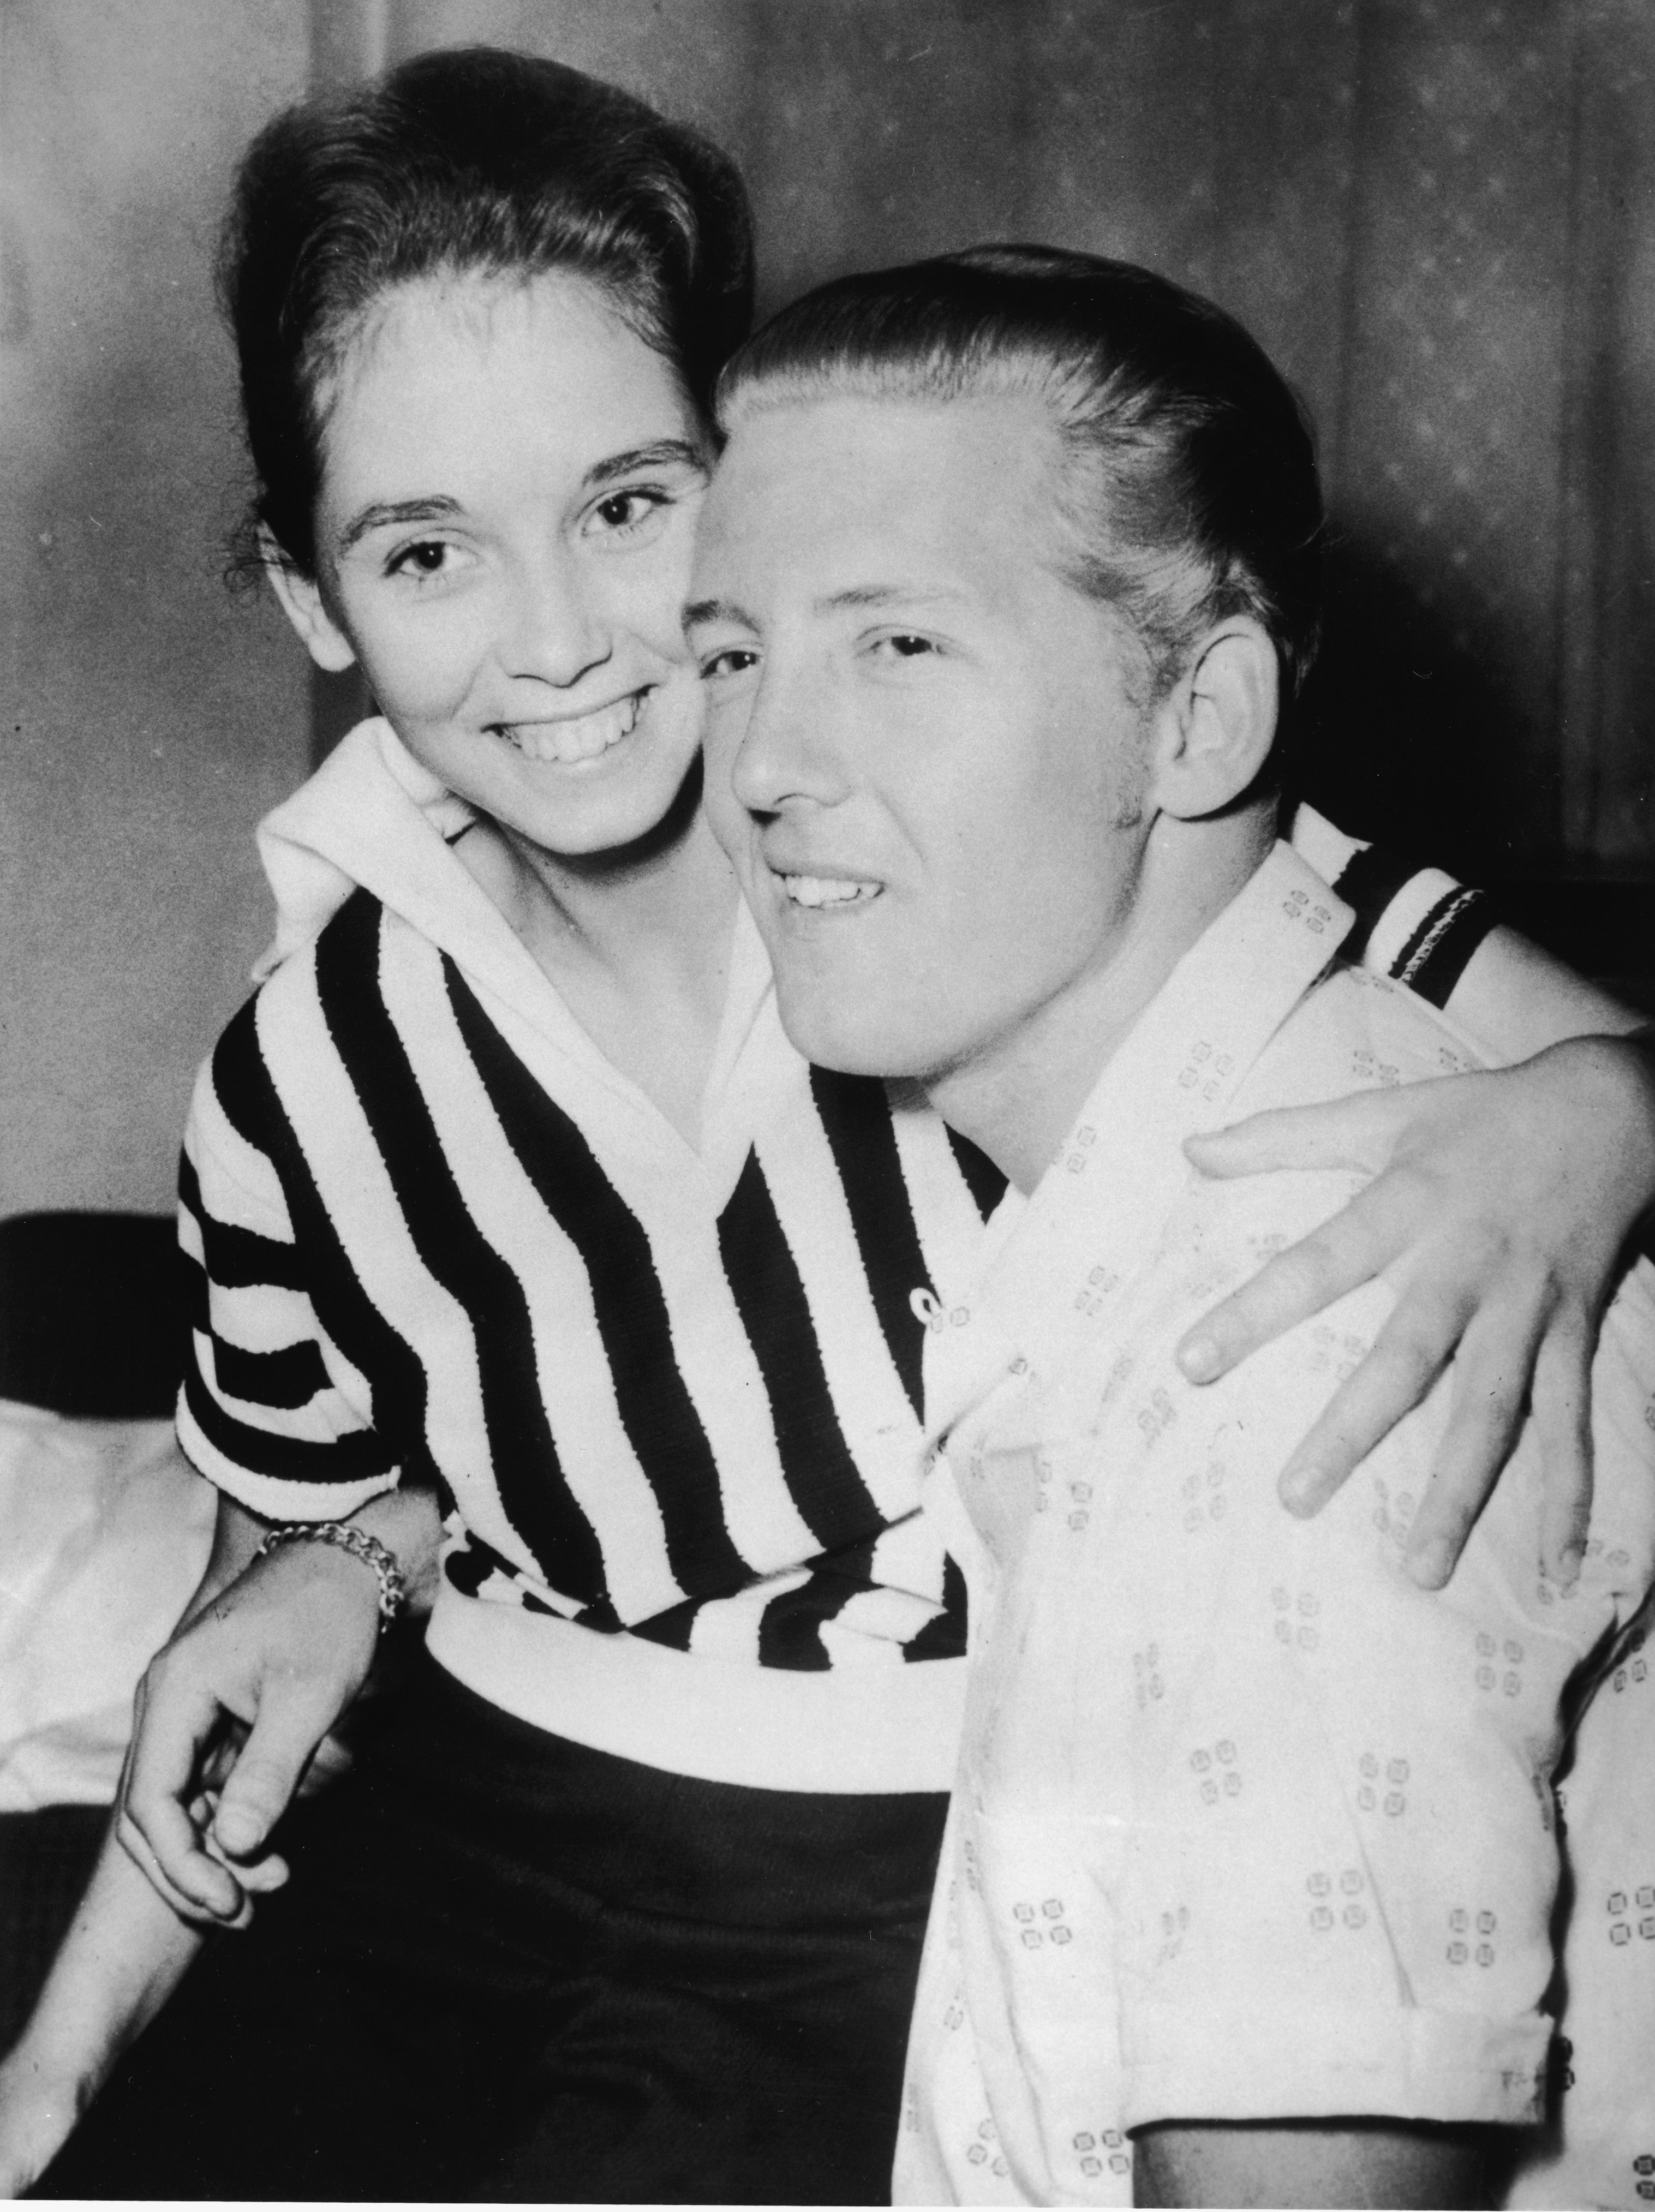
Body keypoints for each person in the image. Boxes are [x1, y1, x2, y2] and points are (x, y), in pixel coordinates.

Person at [4, 45, 1654, 2205]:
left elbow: (1537, 1031)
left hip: (884, 1857)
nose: (570, 639)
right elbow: (288, 1557)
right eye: (427, 553)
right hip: (466, 1806)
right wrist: (83, 2021)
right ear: (319, 602)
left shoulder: (968, 890)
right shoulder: (310, 1067)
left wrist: (1600, 1121)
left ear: (748, 471)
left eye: (628, 504)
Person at [684, 243, 1655, 2208]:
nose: (766, 769)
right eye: (732, 653)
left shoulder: (1299, 1348)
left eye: (895, 645)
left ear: (1198, 725)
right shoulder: (1207, 1169)